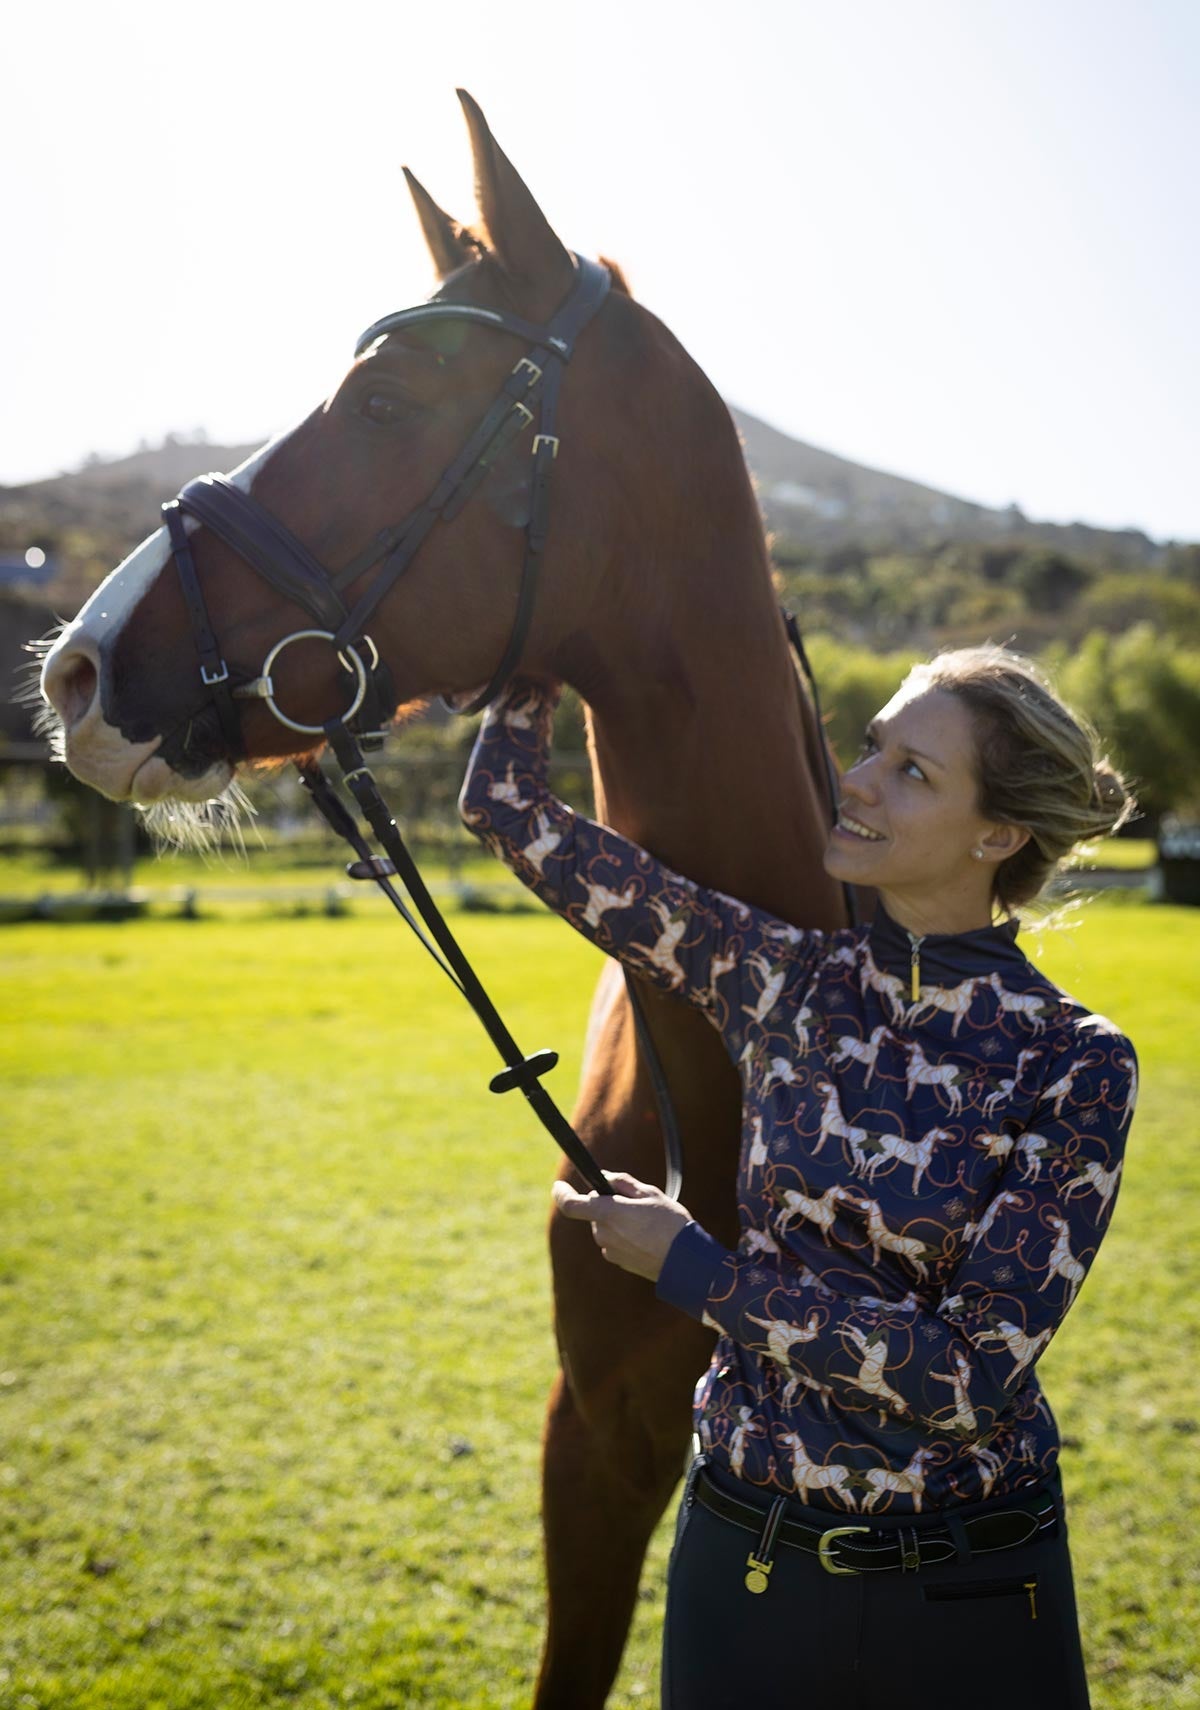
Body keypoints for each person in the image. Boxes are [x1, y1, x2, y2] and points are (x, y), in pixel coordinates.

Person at [459, 643, 1136, 1710]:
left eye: (914, 772)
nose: (857, 779)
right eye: (872, 747)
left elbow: (960, 1379)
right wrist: (535, 653)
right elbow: (506, 809)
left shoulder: (1075, 1063)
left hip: (971, 1590)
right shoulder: (781, 980)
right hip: (744, 1571)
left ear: (998, 834)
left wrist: (697, 1271)